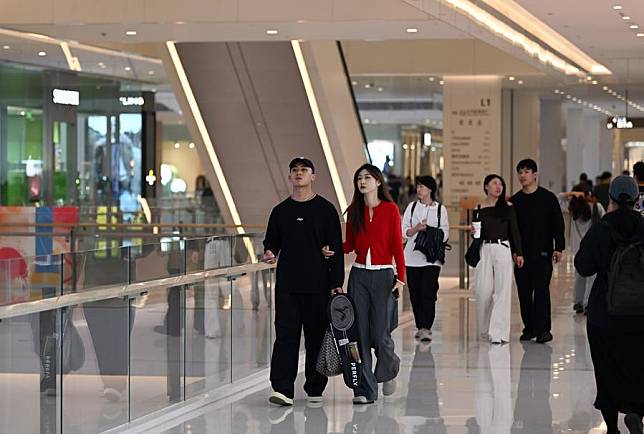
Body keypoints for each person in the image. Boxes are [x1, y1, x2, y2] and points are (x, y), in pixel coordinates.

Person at [263, 157, 344, 406]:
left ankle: (315, 388)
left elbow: (336, 250)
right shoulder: (280, 211)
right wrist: (269, 253)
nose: (299, 174)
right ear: (290, 176)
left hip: (318, 286)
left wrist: (336, 282)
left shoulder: (326, 210)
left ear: (313, 176)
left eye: (304, 170)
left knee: (316, 338)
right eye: (294, 170)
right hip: (287, 286)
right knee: (285, 336)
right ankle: (283, 389)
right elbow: (271, 243)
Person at [575, 175, 644, 434]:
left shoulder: (601, 229)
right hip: (640, 315)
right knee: (638, 366)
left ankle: (612, 426)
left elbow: (583, 266)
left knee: (606, 369)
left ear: (611, 198)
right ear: (637, 198)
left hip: (604, 314)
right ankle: (636, 412)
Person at [332, 163, 405, 404]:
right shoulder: (354, 211)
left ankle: (388, 369)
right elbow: (350, 245)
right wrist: (331, 249)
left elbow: (397, 246)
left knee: (381, 334)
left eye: (367, 177)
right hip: (359, 277)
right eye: (359, 178)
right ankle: (364, 390)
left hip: (384, 276)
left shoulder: (391, 210)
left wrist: (401, 278)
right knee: (360, 335)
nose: (362, 181)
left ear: (378, 182)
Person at [511, 159, 565, 344]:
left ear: (535, 174)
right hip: (521, 255)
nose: (522, 175)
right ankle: (530, 327)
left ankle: (543, 329)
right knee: (524, 292)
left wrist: (558, 247)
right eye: (520, 172)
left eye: (526, 171)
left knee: (541, 291)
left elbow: (558, 224)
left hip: (543, 252)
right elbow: (512, 229)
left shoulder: (548, 198)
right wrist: (514, 251)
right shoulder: (515, 201)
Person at [473, 174, 524, 344]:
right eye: (495, 183)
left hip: (503, 248)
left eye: (501, 184)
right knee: (483, 291)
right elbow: (477, 233)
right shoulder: (479, 208)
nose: (498, 187)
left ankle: (499, 332)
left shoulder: (508, 207)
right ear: (486, 186)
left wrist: (518, 253)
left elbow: (514, 231)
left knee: (503, 290)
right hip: (484, 249)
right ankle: (485, 329)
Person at [401, 175, 449, 342]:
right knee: (415, 293)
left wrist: (428, 230)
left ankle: (425, 327)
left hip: (432, 258)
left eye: (421, 186)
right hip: (412, 258)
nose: (418, 189)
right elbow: (403, 232)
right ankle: (420, 325)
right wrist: (416, 228)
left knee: (429, 292)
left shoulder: (440, 209)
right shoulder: (411, 207)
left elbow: (445, 234)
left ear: (430, 189)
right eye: (418, 186)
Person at [560, 187, 605, 313]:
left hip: (578, 248)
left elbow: (558, 198)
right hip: (593, 246)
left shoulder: (572, 208)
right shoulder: (597, 207)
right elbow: (605, 220)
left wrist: (570, 194)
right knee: (592, 276)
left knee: (579, 275)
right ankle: (588, 303)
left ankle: (578, 302)